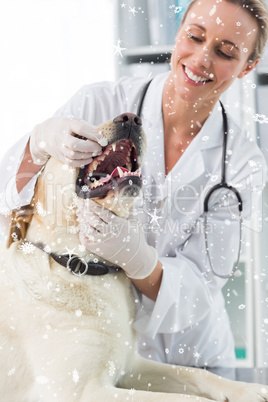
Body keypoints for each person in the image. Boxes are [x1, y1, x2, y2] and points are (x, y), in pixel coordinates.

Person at [0, 0, 267, 380]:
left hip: (191, 355)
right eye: (194, 36)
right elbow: (11, 194)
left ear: (248, 68)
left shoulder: (242, 162)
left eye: (225, 52)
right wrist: (37, 144)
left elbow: (201, 289)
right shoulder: (100, 103)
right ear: (177, 33)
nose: (202, 59)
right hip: (93, 339)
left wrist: (139, 260)